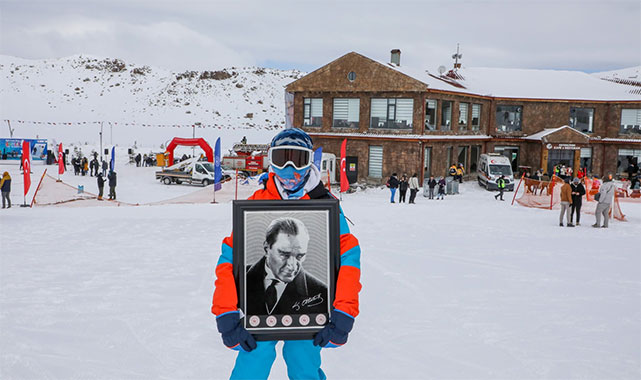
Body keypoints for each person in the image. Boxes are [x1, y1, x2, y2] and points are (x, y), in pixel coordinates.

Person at [211, 128, 361, 379]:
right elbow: (230, 259)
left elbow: (348, 258)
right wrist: (226, 311)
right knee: (252, 363)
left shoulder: (325, 206)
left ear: (309, 162)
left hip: (308, 308)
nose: (290, 168)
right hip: (257, 308)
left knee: (304, 363)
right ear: (271, 161)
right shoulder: (257, 205)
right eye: (281, 158)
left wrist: (344, 311)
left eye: (299, 159)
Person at [245, 217, 328, 316]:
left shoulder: (322, 293)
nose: (292, 266)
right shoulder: (237, 280)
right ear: (267, 249)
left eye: (300, 256)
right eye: (284, 254)